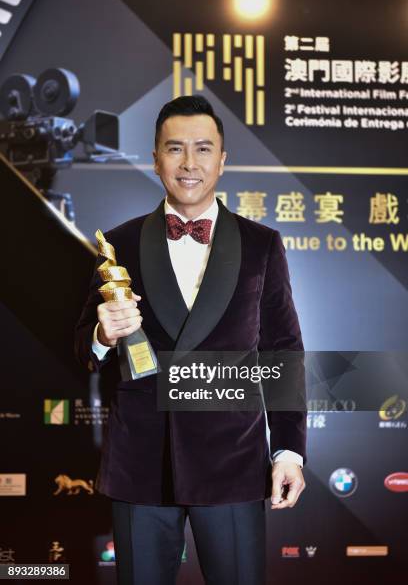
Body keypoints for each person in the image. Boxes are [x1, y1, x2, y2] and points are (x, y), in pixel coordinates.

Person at [74, 95, 306, 585]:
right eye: (174, 149)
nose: (189, 163)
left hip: (233, 462)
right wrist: (100, 335)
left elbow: (282, 353)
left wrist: (287, 451)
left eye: (203, 149)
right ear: (156, 158)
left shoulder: (262, 244)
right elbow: (81, 348)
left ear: (222, 160)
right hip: (142, 465)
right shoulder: (119, 244)